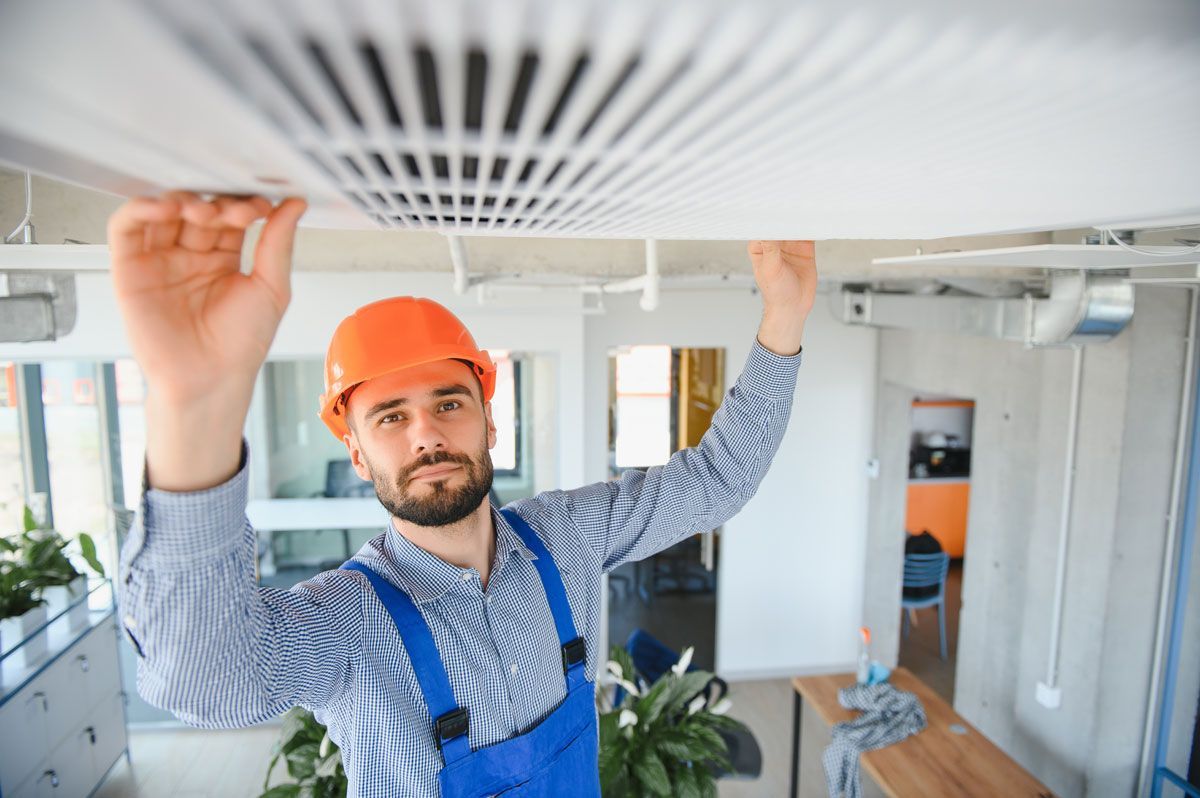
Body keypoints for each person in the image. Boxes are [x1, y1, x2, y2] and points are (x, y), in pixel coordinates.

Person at [110, 192, 816, 797]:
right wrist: (192, 405)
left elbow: (717, 481)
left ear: (489, 421)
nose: (426, 435)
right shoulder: (348, 622)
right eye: (390, 418)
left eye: (449, 403)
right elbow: (207, 683)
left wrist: (783, 318)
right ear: (356, 452)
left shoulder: (567, 537)